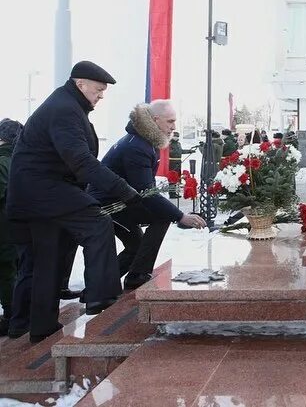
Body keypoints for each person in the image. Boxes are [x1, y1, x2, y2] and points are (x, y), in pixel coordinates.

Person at [5, 61, 142, 342]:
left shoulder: (68, 105)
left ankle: (39, 326)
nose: (101, 95)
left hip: (39, 194)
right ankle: (101, 297)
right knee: (97, 223)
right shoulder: (65, 109)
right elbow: (81, 161)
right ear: (81, 84)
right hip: (43, 191)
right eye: (98, 89)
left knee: (48, 259)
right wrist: (124, 189)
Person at [89, 101, 206, 291]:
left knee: (137, 247)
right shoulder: (137, 146)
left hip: (122, 201)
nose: (173, 127)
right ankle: (134, 276)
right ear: (155, 120)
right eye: (170, 121)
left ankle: (106, 284)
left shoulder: (145, 141)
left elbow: (145, 189)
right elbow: (146, 193)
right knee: (161, 216)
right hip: (108, 206)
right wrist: (180, 216)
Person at [0, 118, 24, 336]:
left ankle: (12, 317)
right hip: (15, 226)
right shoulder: (19, 160)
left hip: (4, 228)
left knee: (7, 273)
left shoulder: (2, 162)